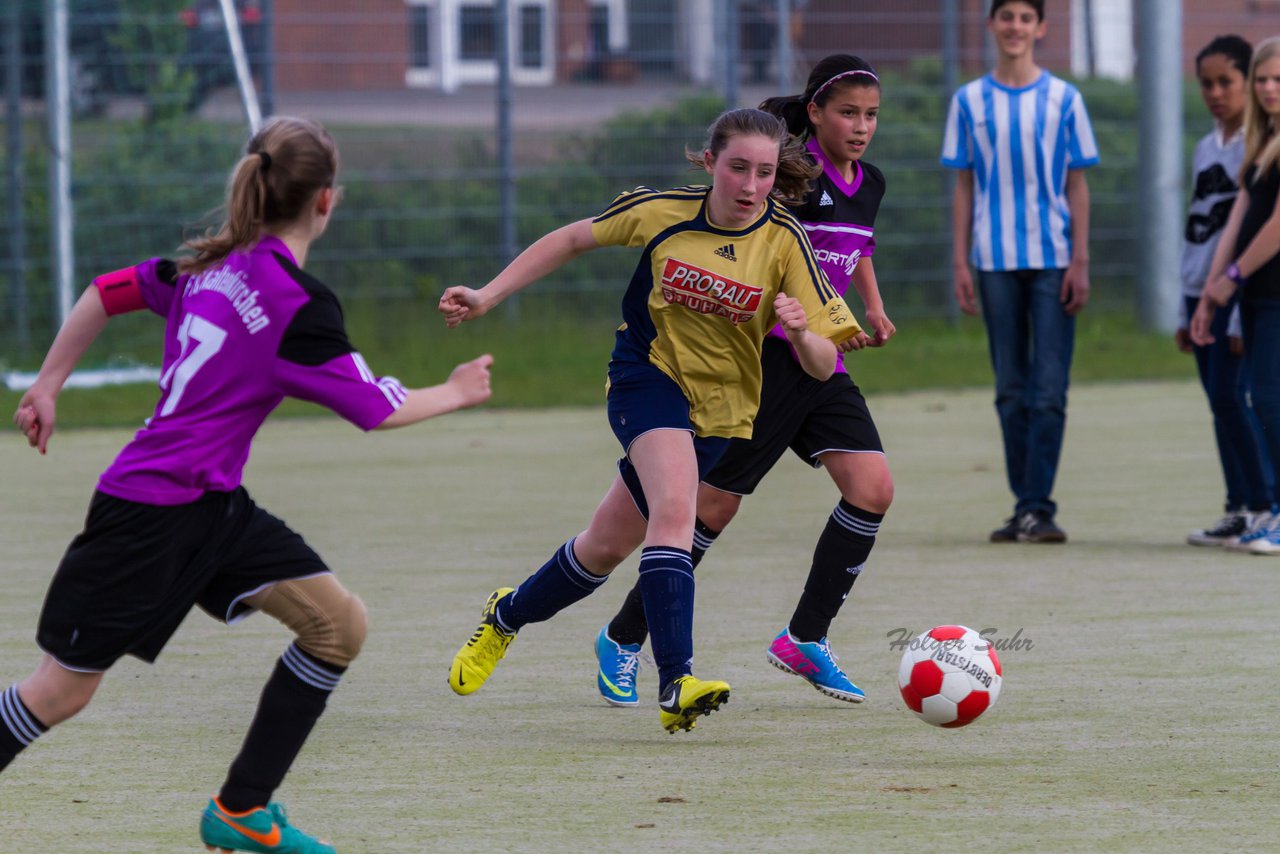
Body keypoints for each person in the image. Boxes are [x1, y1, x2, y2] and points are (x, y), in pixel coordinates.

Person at [4, 116, 493, 853]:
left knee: (339, 626)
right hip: (146, 514)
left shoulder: (212, 263)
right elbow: (375, 408)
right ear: (326, 201)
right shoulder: (296, 302)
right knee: (60, 692)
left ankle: (240, 810)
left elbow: (105, 292)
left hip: (211, 507)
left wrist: (49, 382)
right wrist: (455, 391)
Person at [439, 108, 866, 734]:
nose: (750, 186)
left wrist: (801, 334)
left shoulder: (785, 240)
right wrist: (487, 295)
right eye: (737, 168)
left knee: (600, 552)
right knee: (676, 509)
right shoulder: (665, 212)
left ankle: (506, 615)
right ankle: (677, 681)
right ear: (710, 164)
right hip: (647, 378)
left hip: (724, 412)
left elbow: (826, 362)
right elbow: (571, 238)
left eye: (765, 173)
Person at [593, 54, 894, 709]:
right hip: (763, 362)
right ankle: (623, 637)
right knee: (710, 509)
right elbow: (740, 228)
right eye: (847, 112)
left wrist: (869, 305)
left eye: (871, 114)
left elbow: (856, 247)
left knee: (873, 488)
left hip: (821, 360)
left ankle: (804, 638)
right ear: (813, 114)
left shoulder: (869, 181)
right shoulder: (790, 180)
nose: (861, 125)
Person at [941, 0, 1099, 544]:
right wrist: (960, 260)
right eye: (1005, 16)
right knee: (1011, 389)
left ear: (1040, 27)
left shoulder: (1064, 99)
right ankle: (1024, 506)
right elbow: (964, 185)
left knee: (1048, 390)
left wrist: (1080, 258)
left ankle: (1038, 507)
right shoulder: (969, 100)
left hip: (1054, 260)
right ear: (992, 25)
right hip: (994, 262)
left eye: (1024, 17)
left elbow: (1078, 184)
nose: (1014, 26)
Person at [1180, 36, 1274, 547]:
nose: (1215, 93)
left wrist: (1233, 312)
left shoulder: (1257, 148)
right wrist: (1184, 302)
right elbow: (1198, 226)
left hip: (1234, 298)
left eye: (1226, 82)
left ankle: (1262, 502)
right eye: (1206, 83)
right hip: (1200, 291)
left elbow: (1246, 231)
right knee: (1218, 401)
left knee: (1234, 396)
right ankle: (1238, 505)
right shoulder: (1204, 147)